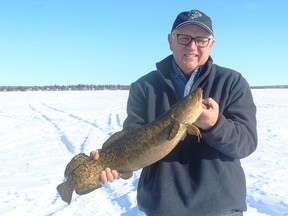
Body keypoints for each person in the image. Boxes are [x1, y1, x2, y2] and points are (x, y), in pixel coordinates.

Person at [90, 9, 257, 216]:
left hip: (220, 208)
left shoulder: (232, 82)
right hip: (162, 207)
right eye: (184, 38)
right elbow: (131, 137)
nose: (192, 46)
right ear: (170, 41)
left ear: (211, 44)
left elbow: (246, 144)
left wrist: (215, 125)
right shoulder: (144, 87)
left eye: (201, 40)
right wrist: (111, 161)